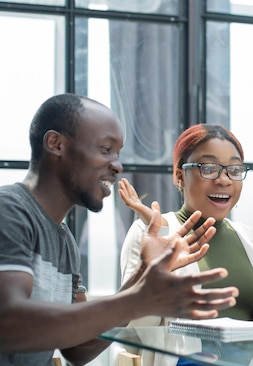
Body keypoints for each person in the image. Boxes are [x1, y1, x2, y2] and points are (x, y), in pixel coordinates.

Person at [0, 94, 239, 366]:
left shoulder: (64, 241)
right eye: (105, 149)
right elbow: (8, 322)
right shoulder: (9, 210)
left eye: (118, 153)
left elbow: (77, 349)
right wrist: (139, 300)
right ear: (56, 144)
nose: (118, 165)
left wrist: (143, 275)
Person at [118, 124, 253, 329]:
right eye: (209, 168)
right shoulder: (148, 232)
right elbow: (137, 331)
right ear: (179, 175)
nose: (224, 180)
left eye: (234, 170)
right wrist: (159, 251)